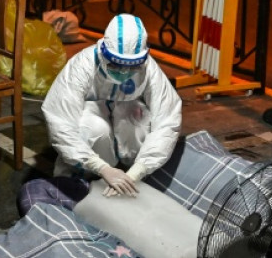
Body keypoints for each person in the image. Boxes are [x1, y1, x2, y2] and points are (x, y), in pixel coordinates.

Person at [42, 13, 182, 198]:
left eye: (132, 67)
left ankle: (130, 173)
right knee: (93, 128)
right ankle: (82, 175)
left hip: (124, 122)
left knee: (140, 119)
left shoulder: (149, 69)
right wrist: (100, 167)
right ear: (103, 52)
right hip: (92, 122)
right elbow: (60, 123)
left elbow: (167, 120)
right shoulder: (81, 67)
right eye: (116, 65)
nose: (124, 72)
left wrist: (138, 170)